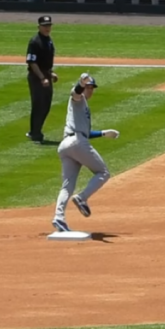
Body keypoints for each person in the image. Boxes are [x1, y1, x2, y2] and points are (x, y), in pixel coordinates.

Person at [52, 73, 120, 233]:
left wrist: (103, 133)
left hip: (66, 145)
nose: (90, 91)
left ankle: (58, 218)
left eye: (91, 88)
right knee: (103, 172)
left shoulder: (83, 107)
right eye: (88, 87)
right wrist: (80, 83)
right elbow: (75, 92)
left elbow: (85, 132)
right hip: (76, 142)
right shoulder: (78, 99)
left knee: (67, 185)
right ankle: (82, 197)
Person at [25, 15, 58, 144]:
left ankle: (36, 130)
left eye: (49, 25)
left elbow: (45, 61)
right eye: (44, 26)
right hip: (36, 76)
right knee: (38, 105)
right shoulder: (35, 41)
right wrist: (42, 77)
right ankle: (34, 132)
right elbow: (32, 62)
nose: (47, 28)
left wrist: (50, 73)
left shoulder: (48, 40)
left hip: (45, 75)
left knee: (46, 105)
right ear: (39, 27)